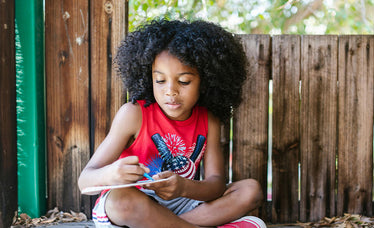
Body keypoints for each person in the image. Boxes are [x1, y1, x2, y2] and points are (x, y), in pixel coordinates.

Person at [78, 19, 265, 228]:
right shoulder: (133, 114)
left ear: (207, 80)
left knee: (251, 190)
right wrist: (112, 174)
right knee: (122, 202)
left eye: (184, 81)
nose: (171, 91)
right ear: (148, 78)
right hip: (132, 204)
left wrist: (185, 188)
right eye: (160, 80)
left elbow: (216, 185)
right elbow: (85, 180)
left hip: (182, 203)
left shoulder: (208, 119)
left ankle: (166, 225)